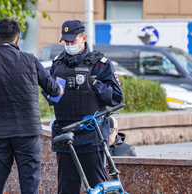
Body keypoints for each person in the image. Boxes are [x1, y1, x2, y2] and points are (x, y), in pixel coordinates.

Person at [0, 18, 63, 194]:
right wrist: (59, 88)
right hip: (28, 134)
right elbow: (53, 90)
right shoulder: (31, 60)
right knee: (29, 187)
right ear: (17, 39)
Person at [49, 20, 124, 193]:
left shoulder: (101, 64)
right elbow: (50, 95)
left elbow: (116, 97)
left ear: (84, 38)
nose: (69, 45)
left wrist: (94, 84)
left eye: (72, 41)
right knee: (66, 187)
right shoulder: (58, 63)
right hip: (65, 134)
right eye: (66, 42)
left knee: (98, 186)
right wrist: (53, 92)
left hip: (92, 136)